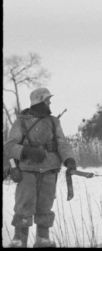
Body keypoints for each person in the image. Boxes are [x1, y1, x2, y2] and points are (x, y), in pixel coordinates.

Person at [4, 87, 77, 248]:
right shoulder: (21, 121)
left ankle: (43, 239)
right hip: (27, 171)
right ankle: (19, 240)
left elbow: (62, 143)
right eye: (47, 100)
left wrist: (69, 159)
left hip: (49, 171)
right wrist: (27, 151)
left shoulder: (53, 121)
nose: (50, 103)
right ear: (39, 101)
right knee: (24, 205)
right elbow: (8, 147)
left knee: (45, 206)